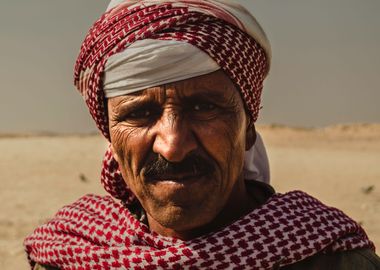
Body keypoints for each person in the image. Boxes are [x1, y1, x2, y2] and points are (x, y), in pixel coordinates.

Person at [25, 1, 380, 269]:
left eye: (204, 108)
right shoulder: (68, 254)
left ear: (248, 130)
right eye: (139, 114)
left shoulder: (330, 256)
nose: (173, 146)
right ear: (111, 140)